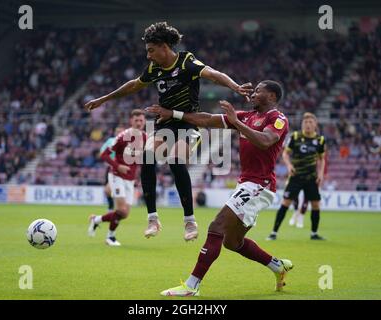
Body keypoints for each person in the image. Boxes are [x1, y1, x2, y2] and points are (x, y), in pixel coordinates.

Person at [85, 22, 252, 241]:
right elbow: (134, 84)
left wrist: (235, 87)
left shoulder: (186, 61)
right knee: (147, 156)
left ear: (164, 46)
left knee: (175, 160)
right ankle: (153, 218)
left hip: (188, 122)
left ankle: (190, 221)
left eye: (150, 50)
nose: (148, 56)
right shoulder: (154, 70)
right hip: (164, 123)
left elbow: (212, 74)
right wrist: (104, 99)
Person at [147, 80, 293, 297]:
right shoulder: (247, 116)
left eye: (259, 90)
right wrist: (173, 113)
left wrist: (237, 123)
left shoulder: (277, 118)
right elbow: (206, 119)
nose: (253, 93)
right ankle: (277, 266)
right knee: (233, 243)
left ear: (272, 96)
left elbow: (265, 141)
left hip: (260, 185)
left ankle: (191, 286)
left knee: (217, 226)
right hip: (247, 184)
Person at [87, 110, 146, 246]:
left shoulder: (144, 137)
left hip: (130, 179)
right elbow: (104, 154)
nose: (139, 123)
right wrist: (118, 166)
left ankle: (96, 219)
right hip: (116, 175)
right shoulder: (123, 136)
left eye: (141, 120)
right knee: (121, 209)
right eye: (136, 120)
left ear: (144, 122)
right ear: (131, 121)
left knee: (125, 214)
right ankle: (110, 237)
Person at [267, 112, 326, 241]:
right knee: (285, 203)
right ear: (302, 124)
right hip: (296, 176)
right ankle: (273, 232)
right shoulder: (295, 137)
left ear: (315, 124)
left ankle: (314, 233)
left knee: (316, 205)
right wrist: (289, 166)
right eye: (305, 122)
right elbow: (285, 154)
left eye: (310, 122)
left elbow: (322, 159)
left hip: (311, 177)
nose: (308, 125)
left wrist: (320, 174)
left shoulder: (320, 140)